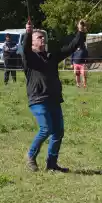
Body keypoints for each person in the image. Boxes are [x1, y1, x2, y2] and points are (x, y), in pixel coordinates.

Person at [23, 19, 87, 172]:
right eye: (39, 38)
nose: (43, 39)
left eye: (43, 37)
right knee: (46, 129)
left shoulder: (51, 57)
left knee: (58, 132)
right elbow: (24, 48)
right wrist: (28, 32)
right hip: (38, 100)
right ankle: (30, 156)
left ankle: (52, 164)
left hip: (53, 99)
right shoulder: (29, 58)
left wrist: (81, 32)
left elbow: (71, 48)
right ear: (32, 43)